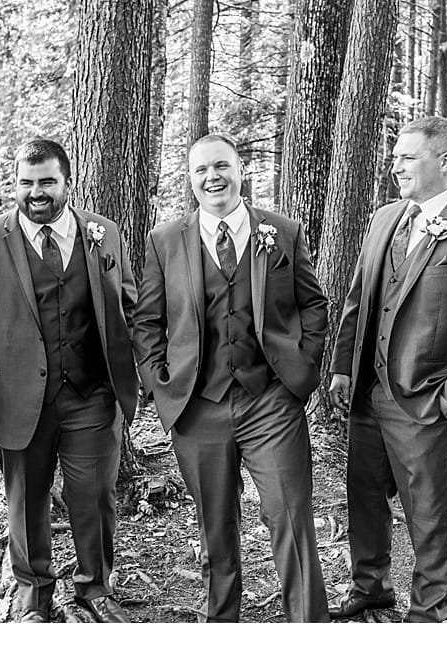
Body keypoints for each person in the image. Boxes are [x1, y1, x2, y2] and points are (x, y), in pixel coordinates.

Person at [327, 116, 447, 622]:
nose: (395, 167)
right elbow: (358, 299)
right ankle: (370, 588)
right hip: (368, 392)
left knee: (430, 516)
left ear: (446, 161)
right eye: (395, 157)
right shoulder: (383, 218)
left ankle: (427, 613)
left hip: (428, 402)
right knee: (365, 499)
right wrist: (345, 368)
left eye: (406, 158)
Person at [134, 133, 329, 622]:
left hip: (271, 403)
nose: (212, 177)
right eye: (201, 170)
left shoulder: (281, 232)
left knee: (289, 514)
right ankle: (223, 627)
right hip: (197, 406)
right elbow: (147, 321)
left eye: (221, 165)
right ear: (191, 180)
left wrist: (300, 372)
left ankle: (311, 630)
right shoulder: (164, 241)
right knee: (215, 527)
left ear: (241, 171)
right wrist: (163, 386)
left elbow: (313, 304)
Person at [0, 138, 138, 623]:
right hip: (15, 398)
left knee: (94, 496)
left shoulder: (105, 234)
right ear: (15, 185)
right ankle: (33, 594)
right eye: (26, 182)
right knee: (27, 498)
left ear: (66, 182)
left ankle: (95, 587)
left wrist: (147, 377)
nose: (36, 192)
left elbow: (130, 307)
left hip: (92, 394)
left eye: (47, 182)